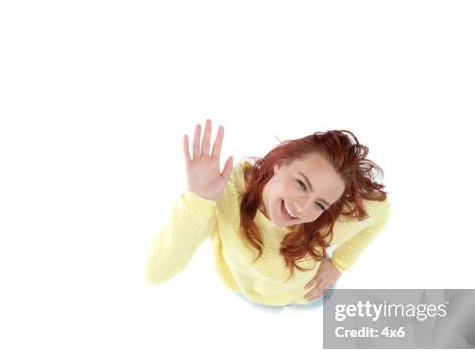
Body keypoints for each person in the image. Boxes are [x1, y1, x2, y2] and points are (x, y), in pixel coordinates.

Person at [145, 120, 391, 307]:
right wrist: (197, 198)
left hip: (306, 300)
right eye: (302, 185)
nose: (302, 208)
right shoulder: (227, 193)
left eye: (320, 204)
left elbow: (381, 211)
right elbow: (156, 273)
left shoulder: (329, 219)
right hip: (240, 294)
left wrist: (339, 264)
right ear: (280, 165)